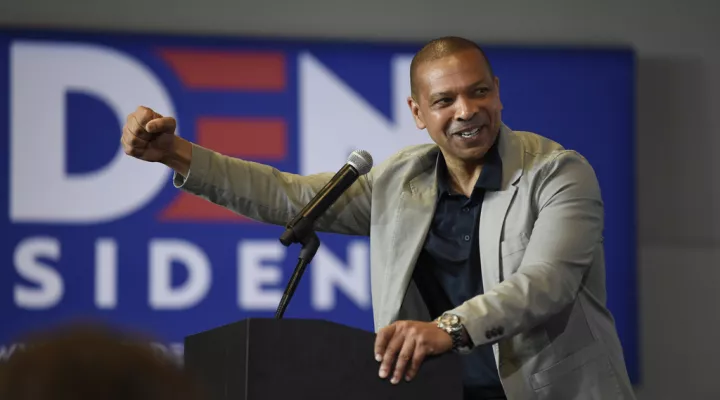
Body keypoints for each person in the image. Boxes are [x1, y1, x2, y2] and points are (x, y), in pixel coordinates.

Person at [120, 36, 636, 399]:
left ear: (497, 91)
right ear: (418, 113)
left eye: (479, 91)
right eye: (445, 100)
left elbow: (548, 283)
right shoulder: (399, 181)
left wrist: (447, 328)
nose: (466, 110)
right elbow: (289, 197)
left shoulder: (558, 172)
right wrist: (177, 154)